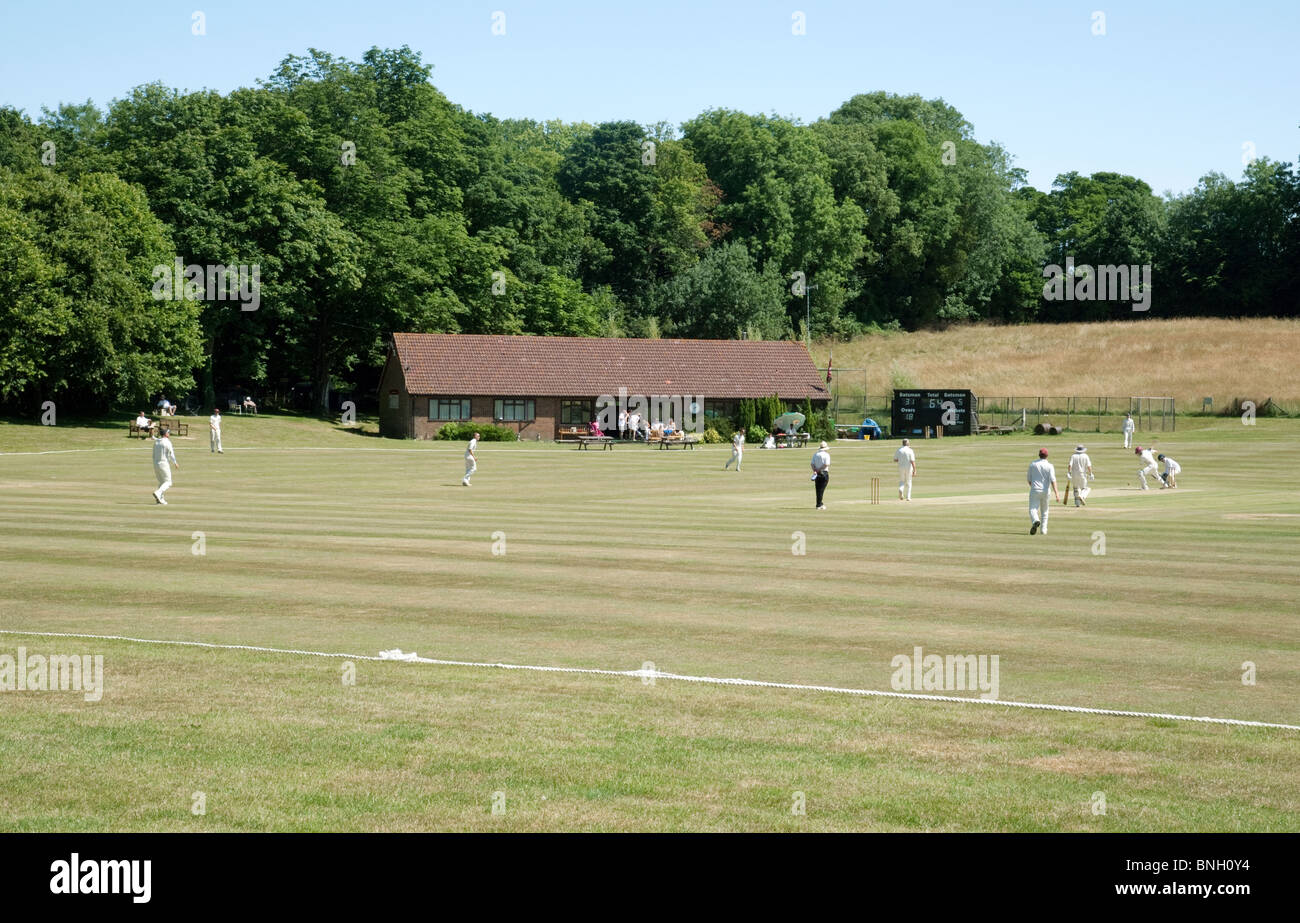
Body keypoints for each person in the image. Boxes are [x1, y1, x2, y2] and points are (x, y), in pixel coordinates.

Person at [1027, 448, 1060, 534]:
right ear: (1047, 455)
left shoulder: (1033, 464)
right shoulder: (1050, 466)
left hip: (1034, 489)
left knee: (1033, 509)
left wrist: (1034, 487)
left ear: (1039, 455)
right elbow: (1053, 480)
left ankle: (1035, 520)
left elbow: (1029, 480)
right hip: (1046, 491)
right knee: (1045, 511)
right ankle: (1043, 530)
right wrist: (1057, 494)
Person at [152, 426, 179, 505]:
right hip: (164, 463)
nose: (169, 434)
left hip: (156, 464)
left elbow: (153, 454)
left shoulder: (157, 442)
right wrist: (175, 462)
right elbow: (171, 454)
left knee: (161, 482)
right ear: (166, 434)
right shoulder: (167, 442)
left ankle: (160, 499)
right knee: (168, 482)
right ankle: (158, 493)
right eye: (168, 432)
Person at [810, 440, 831, 510]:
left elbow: (812, 464)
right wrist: (818, 470)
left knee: (818, 489)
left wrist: (815, 470)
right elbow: (826, 464)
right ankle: (819, 504)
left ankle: (819, 503)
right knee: (821, 490)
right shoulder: (826, 455)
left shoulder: (815, 454)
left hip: (816, 473)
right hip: (823, 473)